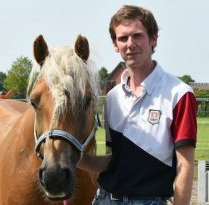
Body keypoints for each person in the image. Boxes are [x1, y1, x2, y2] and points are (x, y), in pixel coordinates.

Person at [78, 5, 197, 205]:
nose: (130, 44)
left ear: (153, 39)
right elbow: (113, 160)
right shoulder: (112, 97)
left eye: (138, 36)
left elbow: (185, 166)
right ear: (115, 45)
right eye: (123, 38)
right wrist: (75, 158)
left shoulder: (180, 94)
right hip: (104, 199)